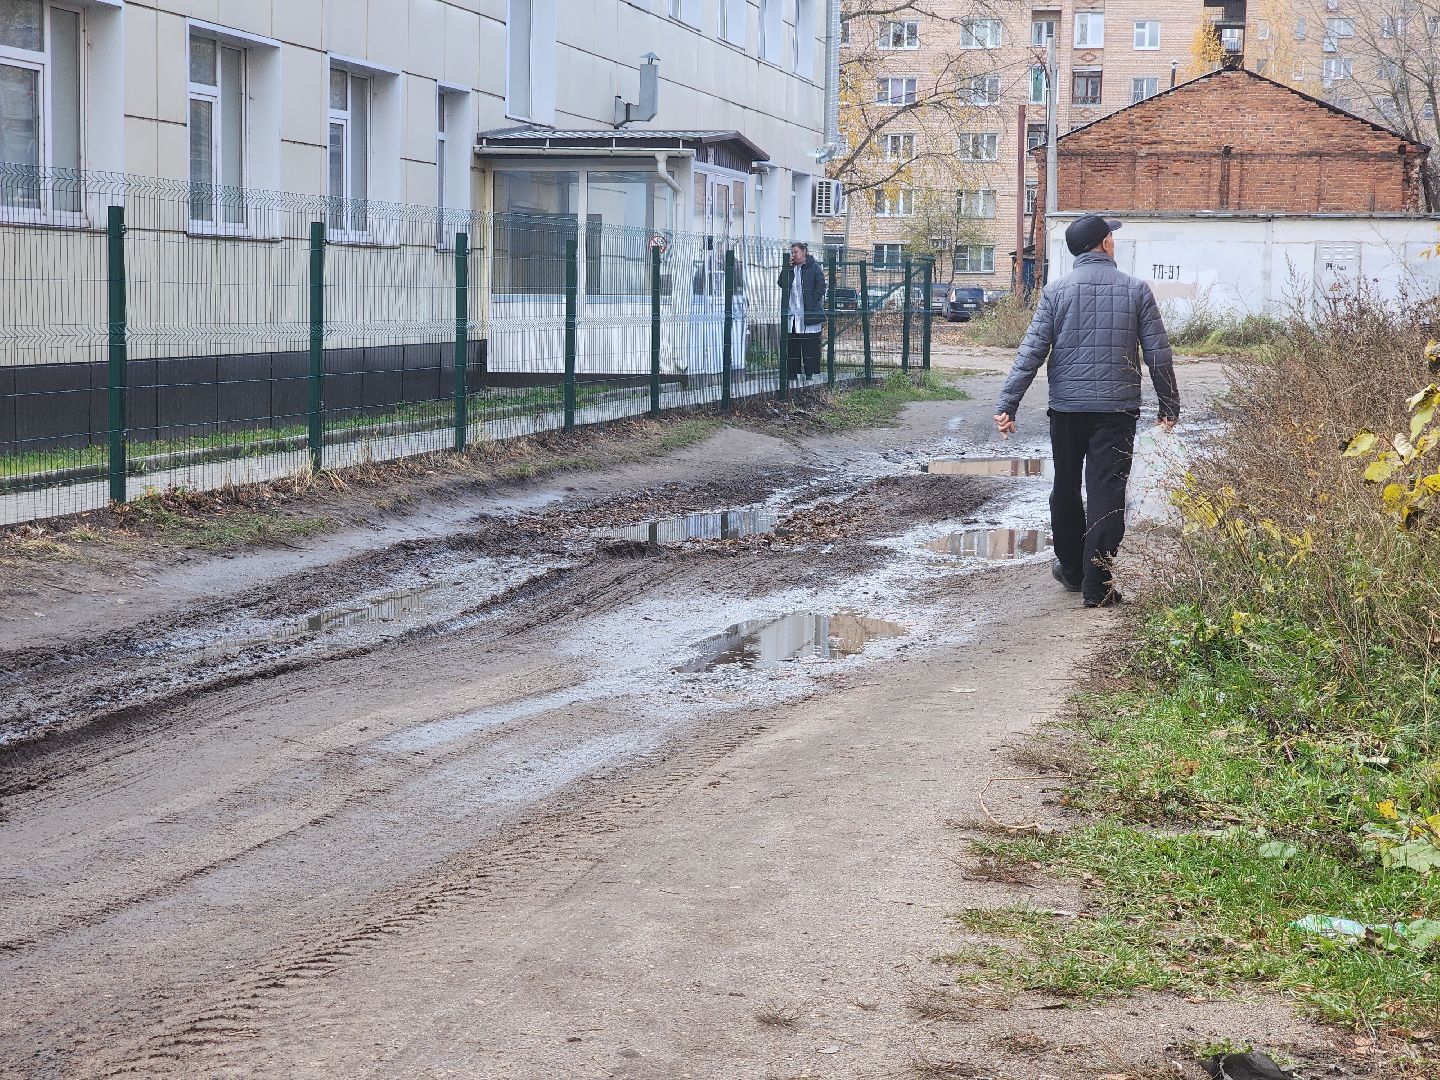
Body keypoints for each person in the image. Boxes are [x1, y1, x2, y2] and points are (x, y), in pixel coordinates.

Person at [993, 215, 1180, 608]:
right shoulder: (1135, 290)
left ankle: (1073, 571)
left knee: (1065, 487)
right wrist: (1169, 403)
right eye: (1111, 235)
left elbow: (1031, 352)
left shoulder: (1056, 292)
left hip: (1067, 410)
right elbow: (1157, 355)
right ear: (1105, 244)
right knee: (1106, 493)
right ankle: (1098, 585)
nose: (1114, 240)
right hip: (1117, 410)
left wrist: (1007, 404)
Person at [778, 241, 826, 383]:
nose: (794, 255)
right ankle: (792, 372)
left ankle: (809, 372)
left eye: (796, 252)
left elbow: (821, 286)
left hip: (809, 312)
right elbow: (781, 283)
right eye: (792, 253)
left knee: (809, 345)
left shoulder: (814, 267)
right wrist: (786, 268)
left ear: (804, 252)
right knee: (793, 344)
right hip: (793, 313)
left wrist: (812, 301)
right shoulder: (791, 269)